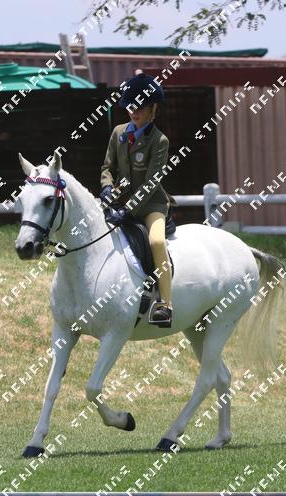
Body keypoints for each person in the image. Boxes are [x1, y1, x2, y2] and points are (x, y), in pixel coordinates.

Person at [99, 72, 176, 327]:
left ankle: (165, 304)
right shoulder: (118, 132)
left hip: (151, 204)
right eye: (131, 106)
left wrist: (129, 210)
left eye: (140, 107)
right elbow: (108, 167)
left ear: (153, 109)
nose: (134, 112)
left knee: (156, 241)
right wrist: (107, 187)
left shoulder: (160, 141)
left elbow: (151, 183)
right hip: (119, 199)